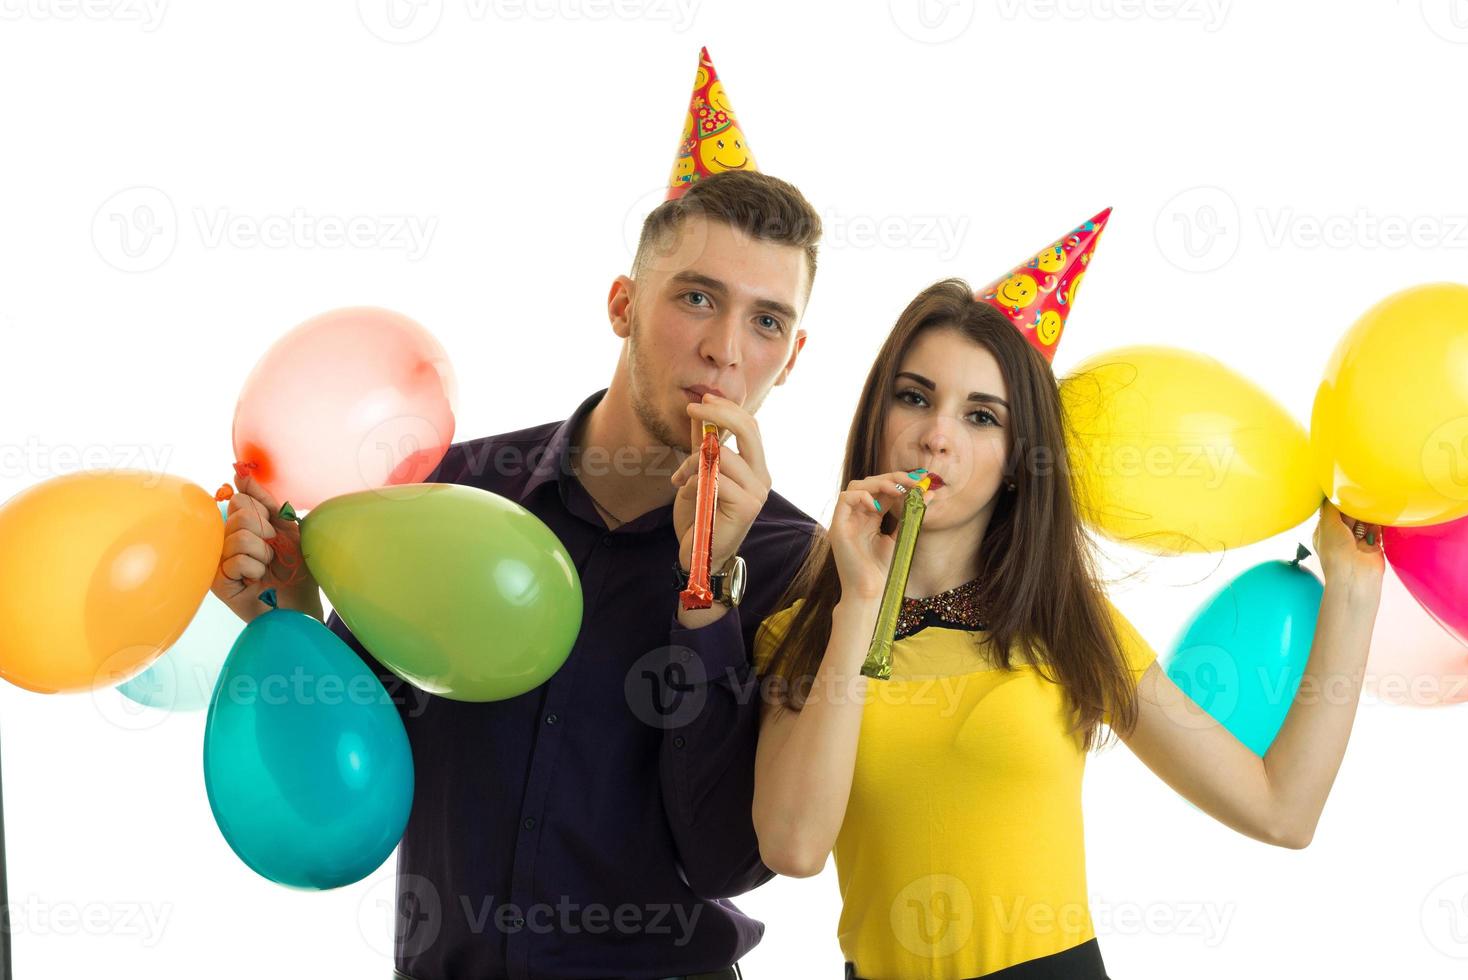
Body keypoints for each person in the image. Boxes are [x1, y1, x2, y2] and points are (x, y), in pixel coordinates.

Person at [211, 57, 823, 973]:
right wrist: (286, 604)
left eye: (767, 321)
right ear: (623, 305)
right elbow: (365, 743)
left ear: (796, 354)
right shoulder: (453, 491)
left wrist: (708, 588)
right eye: (696, 297)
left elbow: (726, 856)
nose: (725, 351)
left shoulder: (791, 561)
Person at [749, 271, 1385, 979]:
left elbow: (1281, 812)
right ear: (877, 418)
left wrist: (1354, 595)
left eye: (981, 416)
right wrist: (860, 603)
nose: (935, 437)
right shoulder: (799, 635)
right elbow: (794, 849)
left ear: (1018, 462)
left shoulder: (1066, 622)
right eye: (915, 397)